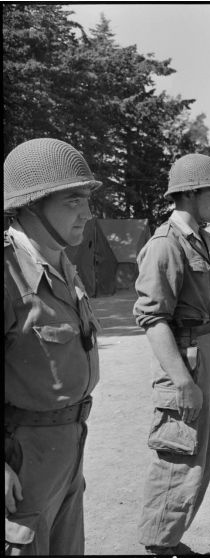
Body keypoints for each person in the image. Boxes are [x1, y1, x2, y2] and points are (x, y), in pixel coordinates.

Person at [4, 138, 102, 555]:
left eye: (87, 199)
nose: (87, 212)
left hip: (67, 443)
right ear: (31, 205)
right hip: (23, 455)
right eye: (73, 200)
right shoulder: (9, 271)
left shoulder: (59, 261)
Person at [134, 153, 210, 555]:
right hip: (186, 360)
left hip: (207, 352)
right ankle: (159, 546)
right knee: (179, 457)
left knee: (201, 459)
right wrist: (183, 381)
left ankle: (170, 539)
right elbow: (153, 320)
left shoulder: (201, 240)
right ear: (189, 194)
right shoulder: (165, 246)